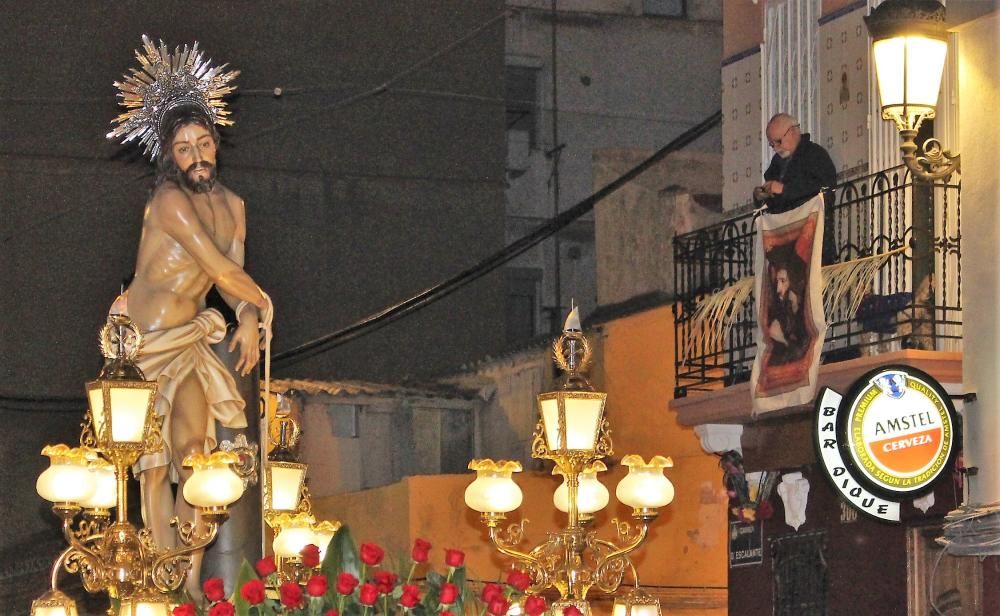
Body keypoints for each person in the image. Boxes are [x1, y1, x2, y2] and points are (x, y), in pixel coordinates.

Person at [108, 37, 271, 596]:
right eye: (183, 149)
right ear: (168, 156)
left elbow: (234, 279)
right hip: (146, 341)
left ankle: (188, 579)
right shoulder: (169, 202)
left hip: (192, 341)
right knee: (152, 466)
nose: (197, 156)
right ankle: (154, 576)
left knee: (199, 460)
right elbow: (218, 267)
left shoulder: (236, 206)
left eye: (204, 143)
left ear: (217, 145)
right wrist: (259, 302)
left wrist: (248, 316)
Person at [754, 113, 838, 263]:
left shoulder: (814, 154)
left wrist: (784, 190)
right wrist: (762, 196)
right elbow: (773, 204)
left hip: (812, 240)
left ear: (793, 131)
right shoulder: (776, 164)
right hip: (784, 244)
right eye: (772, 144)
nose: (776, 148)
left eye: (778, 141)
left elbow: (825, 189)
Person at [765, 257, 808, 366]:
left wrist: (784, 340)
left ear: (793, 282)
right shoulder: (779, 315)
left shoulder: (805, 312)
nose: (778, 288)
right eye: (777, 282)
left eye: (783, 281)